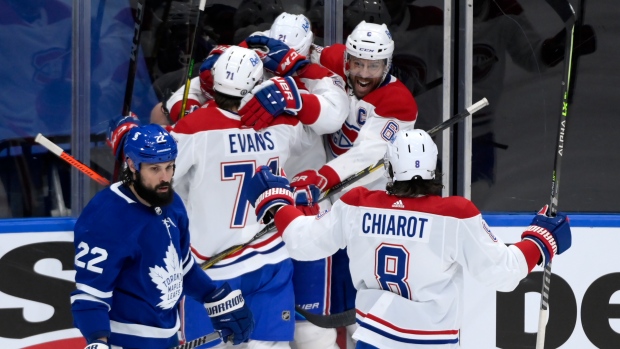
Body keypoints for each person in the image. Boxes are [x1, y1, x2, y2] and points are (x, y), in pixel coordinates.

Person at [245, 128, 573, 349]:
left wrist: (279, 205)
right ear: (433, 169)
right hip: (431, 342)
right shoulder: (454, 213)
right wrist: (541, 240)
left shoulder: (358, 203)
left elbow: (303, 242)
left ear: (389, 169)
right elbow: (503, 272)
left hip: (373, 338)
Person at [170, 45, 333, 349]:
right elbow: (330, 119)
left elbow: (156, 179)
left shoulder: (194, 128)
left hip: (210, 270)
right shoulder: (283, 124)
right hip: (270, 263)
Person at [70, 124, 254, 349]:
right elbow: (90, 297)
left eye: (169, 167)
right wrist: (97, 342)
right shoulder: (105, 216)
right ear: (132, 165)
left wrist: (214, 296)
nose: (165, 177)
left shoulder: (172, 203)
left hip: (169, 338)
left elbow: (182, 267)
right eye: (155, 169)